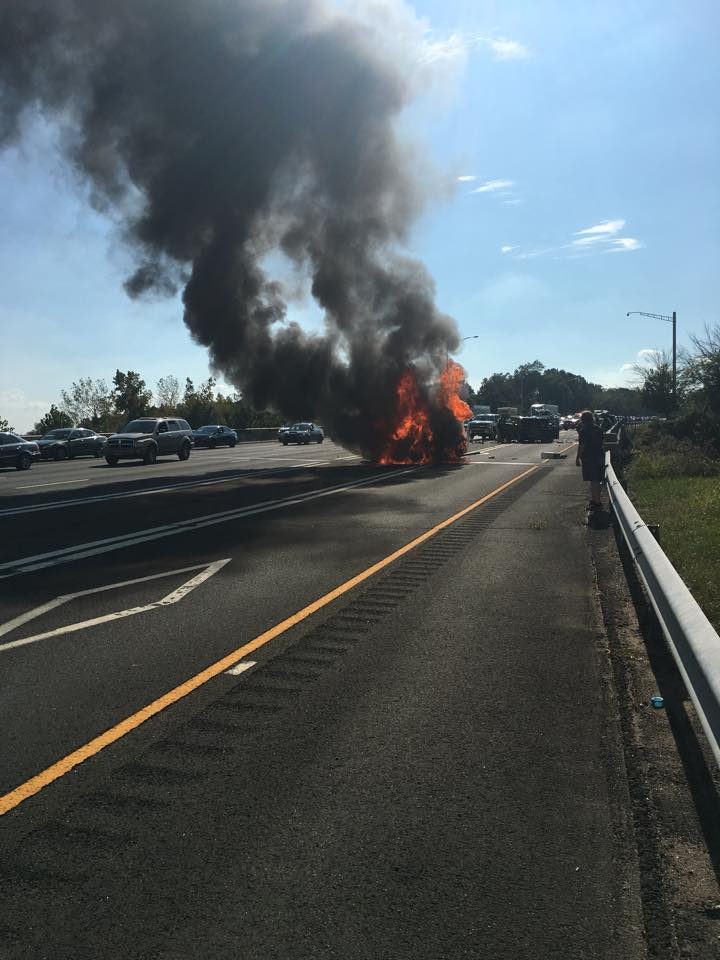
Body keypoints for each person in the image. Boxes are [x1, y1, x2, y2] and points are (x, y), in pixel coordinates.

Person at [575, 410, 604, 511]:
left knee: (594, 480)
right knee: (597, 479)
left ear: (583, 420)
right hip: (599, 456)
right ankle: (596, 500)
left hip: (589, 457)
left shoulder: (583, 431)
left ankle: (597, 502)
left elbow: (582, 446)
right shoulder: (599, 429)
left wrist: (578, 458)